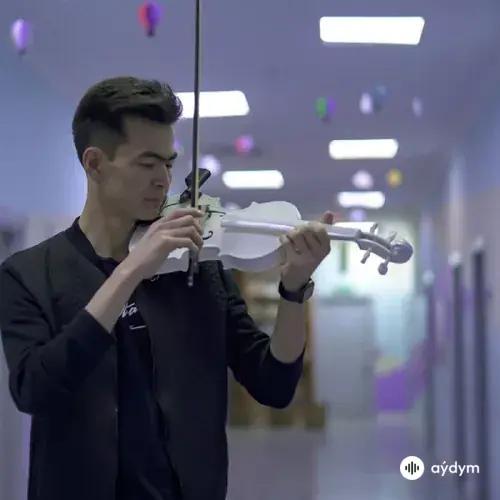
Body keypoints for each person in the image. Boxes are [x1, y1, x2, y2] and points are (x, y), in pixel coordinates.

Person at [0, 76, 334, 500]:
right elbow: (35, 389)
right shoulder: (28, 273)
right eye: (147, 163)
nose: (163, 180)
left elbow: (274, 383)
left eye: (169, 163)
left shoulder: (197, 264)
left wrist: (293, 288)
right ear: (95, 164)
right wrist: (130, 270)